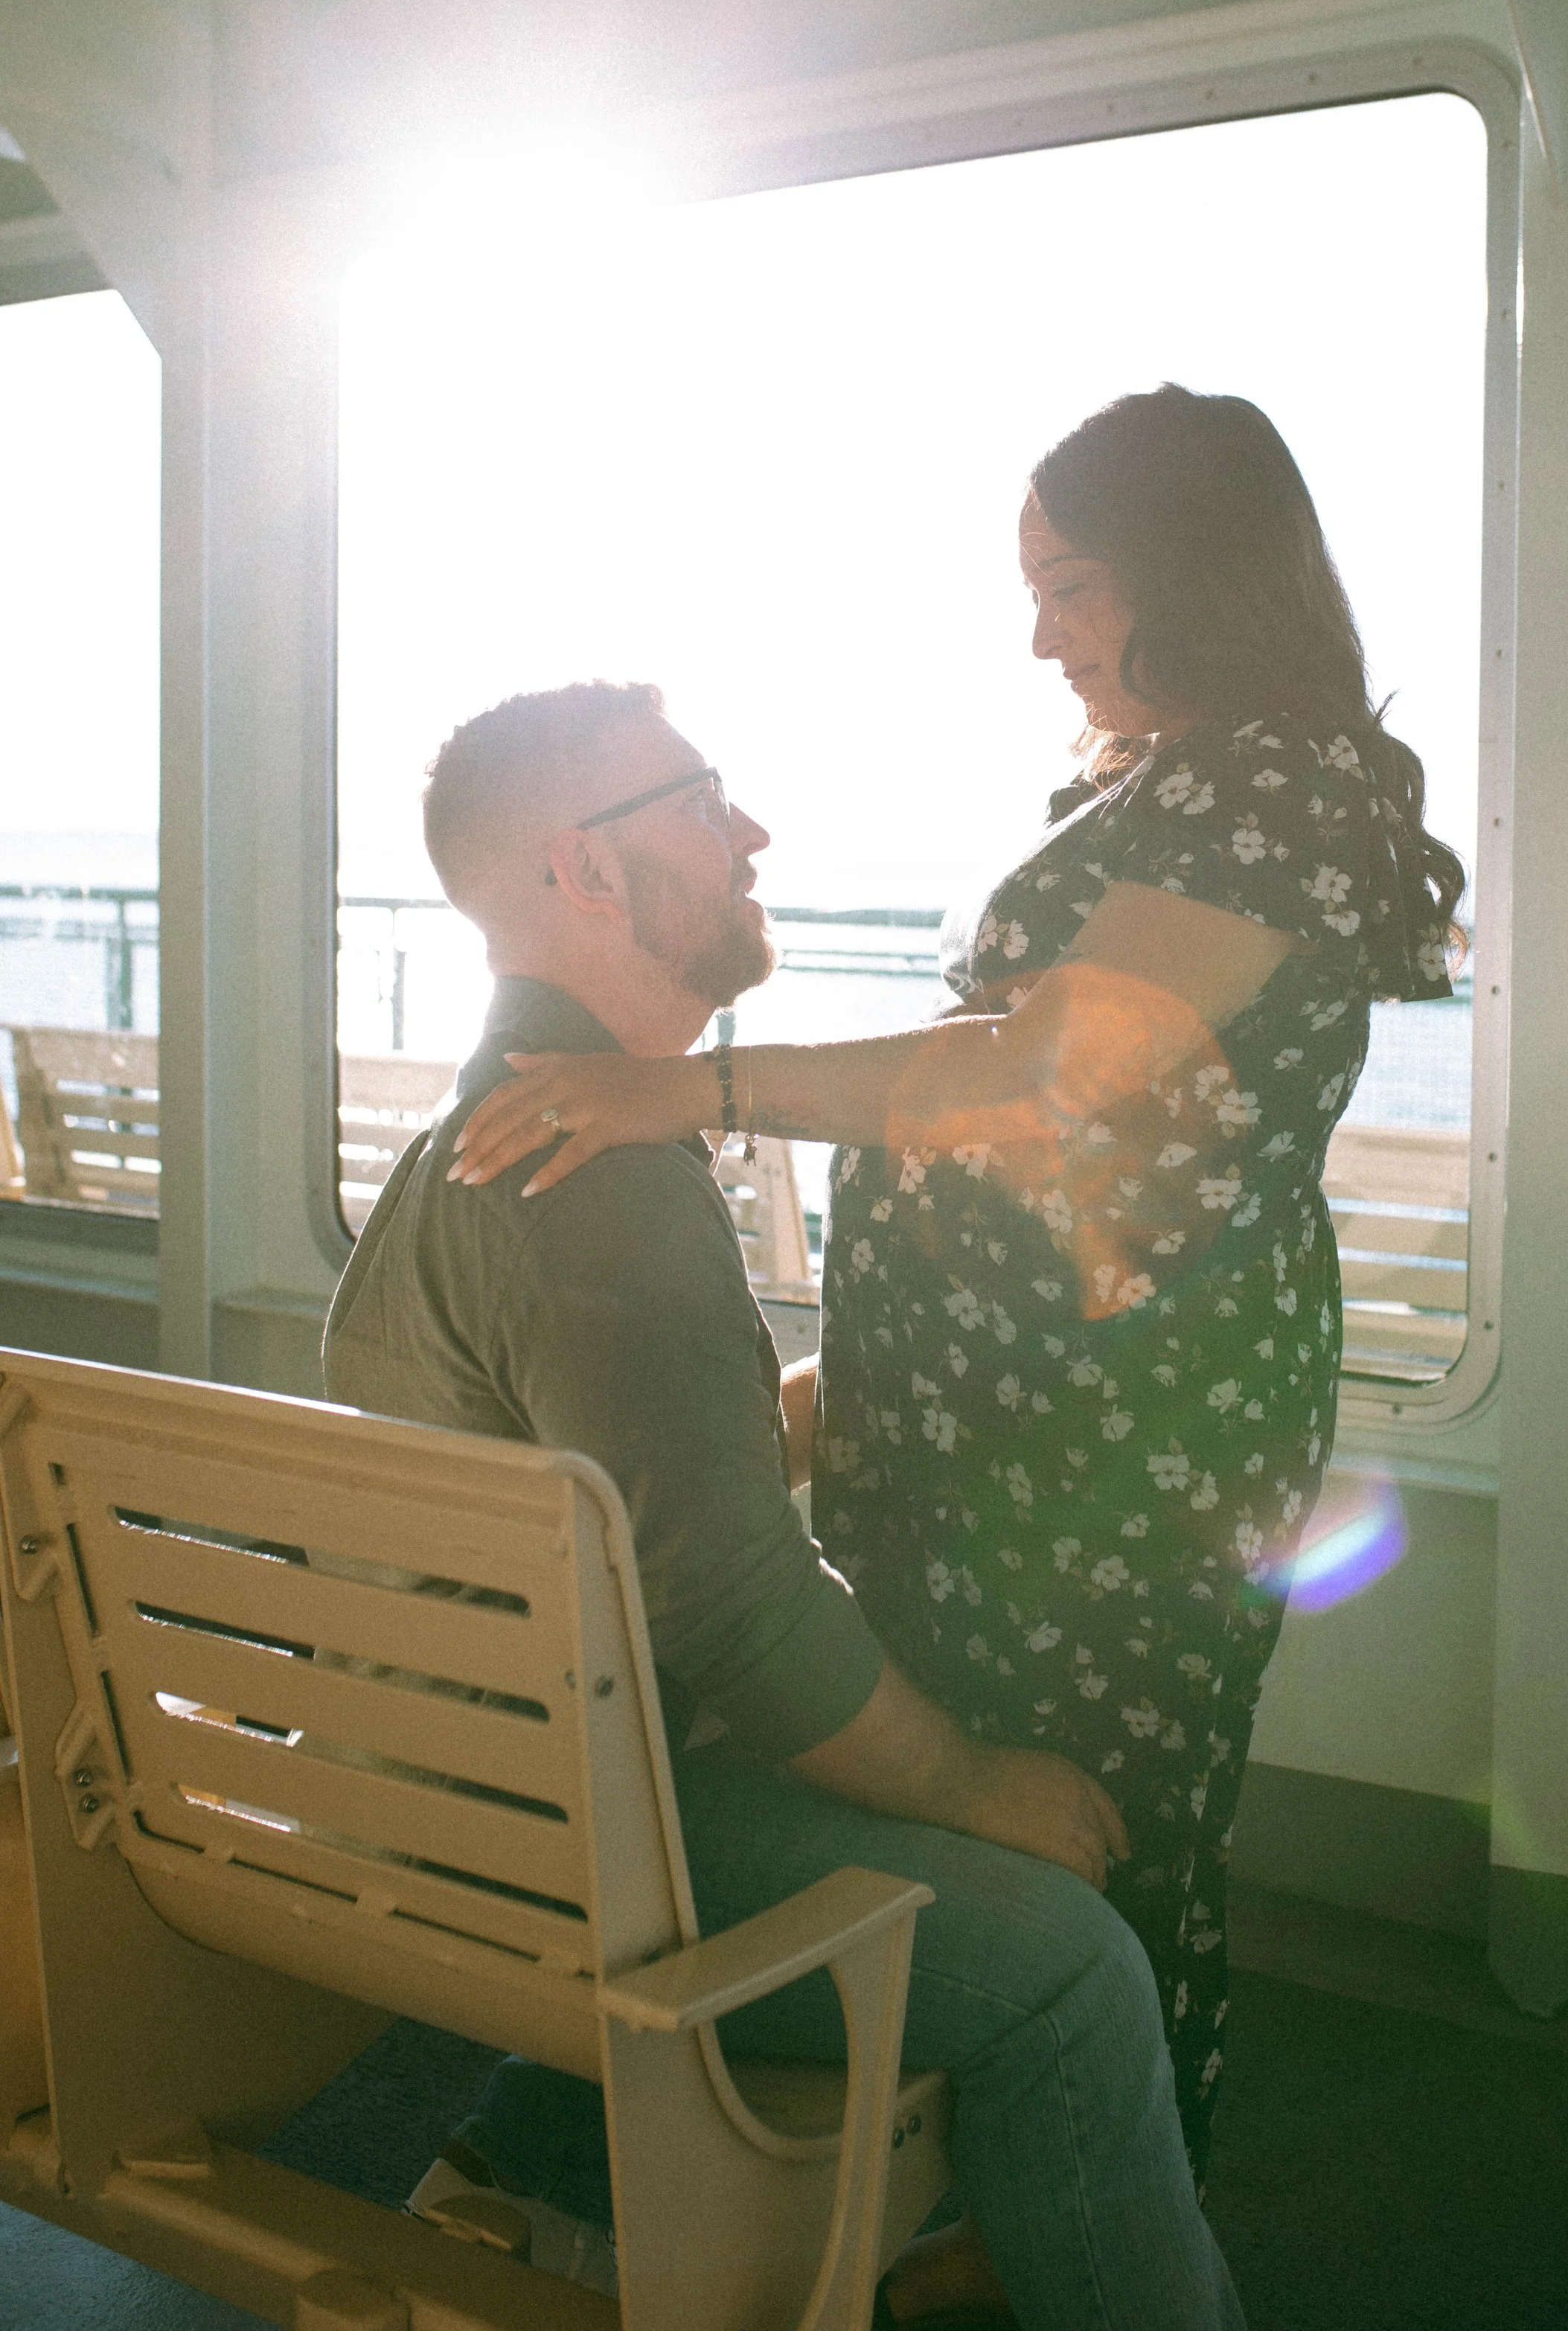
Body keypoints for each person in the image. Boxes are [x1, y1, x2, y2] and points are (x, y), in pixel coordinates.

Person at [452, 385, 1465, 2188]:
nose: (1040, 632)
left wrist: (695, 1090)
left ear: (1194, 575)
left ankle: (1090, 2239)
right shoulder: (1156, 780)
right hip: (987, 1424)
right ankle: (929, 2199)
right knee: (974, 1825)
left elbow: (1046, 1074)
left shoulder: (1277, 788)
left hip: (1117, 1441)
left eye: (1070, 587)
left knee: (1101, 1843)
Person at [324, 674, 1246, 2331]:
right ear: (585, 875)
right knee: (1070, 1968)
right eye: (699, 801)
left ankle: (544, 2185)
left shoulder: (466, 1139)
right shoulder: (601, 1188)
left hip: (443, 1784)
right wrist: (971, 1784)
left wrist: (831, 1412)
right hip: (569, 1839)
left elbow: (611, 1494)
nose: (749, 833)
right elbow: (731, 1612)